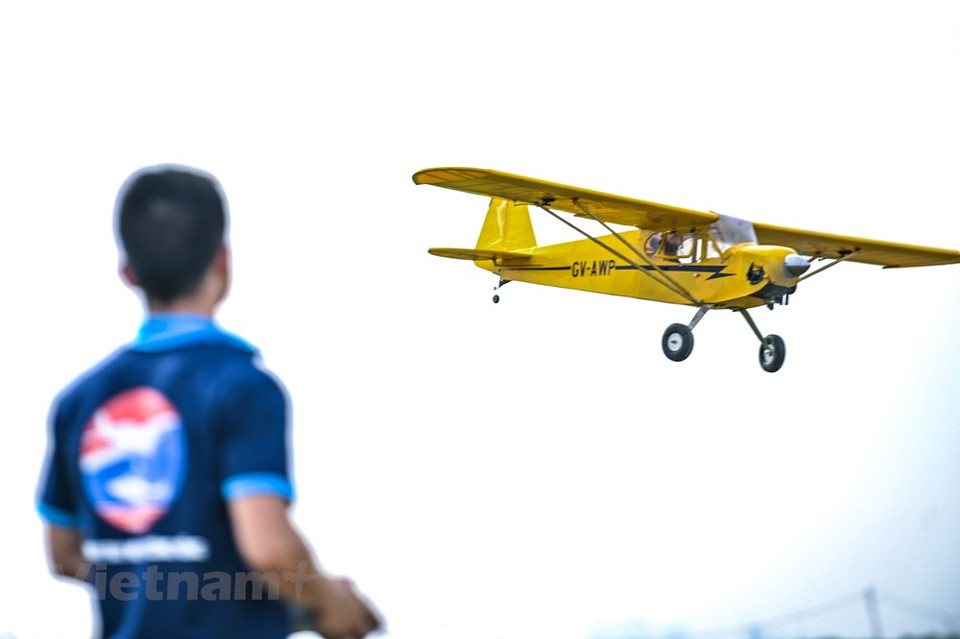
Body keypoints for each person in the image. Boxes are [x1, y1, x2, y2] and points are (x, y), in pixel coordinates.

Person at [37, 165, 381, 639]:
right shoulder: (240, 385)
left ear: (127, 271)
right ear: (224, 261)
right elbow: (270, 551)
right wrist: (327, 599)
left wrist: (157, 586)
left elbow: (65, 554)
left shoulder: (79, 401)